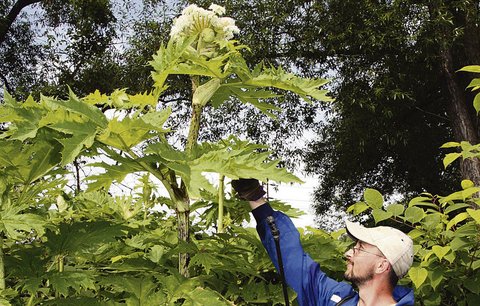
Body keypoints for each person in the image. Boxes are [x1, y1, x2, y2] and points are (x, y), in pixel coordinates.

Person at [232, 179, 415, 306]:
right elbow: (294, 261)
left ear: (382, 265)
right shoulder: (334, 298)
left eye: (360, 249)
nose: (348, 253)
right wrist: (256, 198)